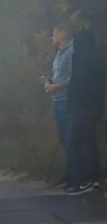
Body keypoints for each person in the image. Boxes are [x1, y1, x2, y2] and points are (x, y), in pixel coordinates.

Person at [66, 30, 105, 195]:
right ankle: (95, 178)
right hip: (95, 107)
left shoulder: (79, 60)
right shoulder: (99, 60)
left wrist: (71, 99)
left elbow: (76, 83)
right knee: (90, 142)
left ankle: (84, 180)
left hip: (80, 106)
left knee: (75, 141)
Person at [43, 25, 75, 188]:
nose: (52, 37)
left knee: (71, 140)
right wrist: (50, 82)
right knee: (64, 140)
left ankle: (76, 177)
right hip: (58, 101)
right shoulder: (59, 54)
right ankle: (69, 175)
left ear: (63, 34)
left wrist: (57, 86)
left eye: (54, 34)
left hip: (68, 101)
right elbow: (60, 76)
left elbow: (75, 78)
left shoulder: (72, 52)